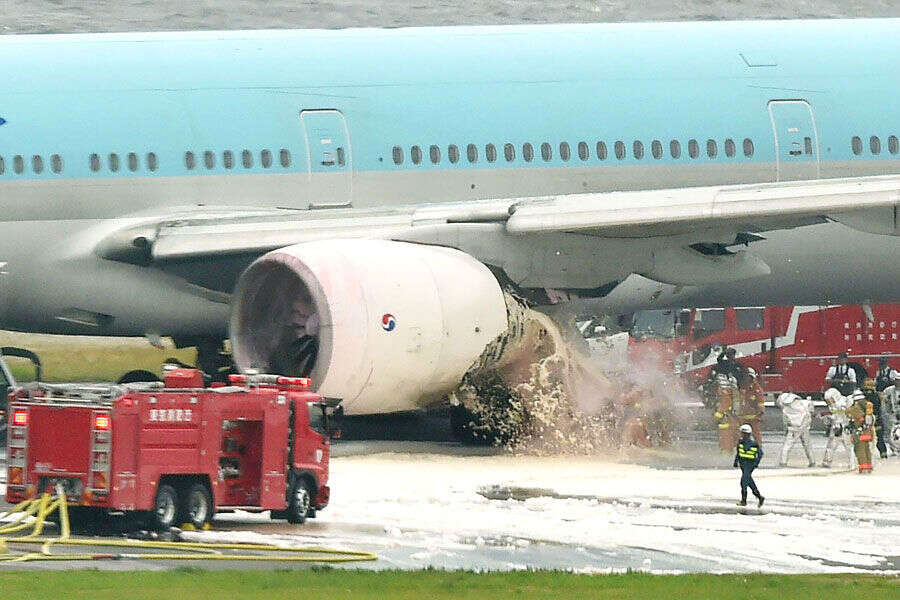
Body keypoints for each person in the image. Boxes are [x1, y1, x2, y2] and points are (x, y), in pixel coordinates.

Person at [711, 348, 744, 451]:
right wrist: (723, 353)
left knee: (733, 420)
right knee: (731, 422)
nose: (731, 356)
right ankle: (731, 445)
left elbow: (741, 378)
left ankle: (732, 444)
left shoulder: (737, 366)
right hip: (730, 393)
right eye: (729, 354)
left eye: (732, 354)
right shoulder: (724, 364)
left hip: (734, 392)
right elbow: (718, 359)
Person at [776, 392, 815, 467]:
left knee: (787, 446)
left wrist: (786, 430)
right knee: (807, 445)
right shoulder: (804, 403)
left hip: (794, 428)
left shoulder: (787, 409)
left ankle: (783, 462)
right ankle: (812, 461)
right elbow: (810, 410)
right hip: (804, 427)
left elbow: (785, 421)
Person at [821, 387, 855, 469]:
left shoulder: (842, 403)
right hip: (836, 427)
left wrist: (831, 417)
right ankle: (827, 462)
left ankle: (852, 463)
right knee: (831, 445)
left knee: (848, 446)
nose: (829, 401)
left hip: (843, 427)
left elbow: (843, 415)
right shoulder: (834, 404)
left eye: (830, 399)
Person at [733, 423, 765, 507]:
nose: (743, 435)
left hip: (750, 465)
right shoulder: (740, 442)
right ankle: (759, 497)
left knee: (744, 482)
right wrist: (736, 462)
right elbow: (738, 452)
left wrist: (756, 463)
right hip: (743, 465)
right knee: (749, 481)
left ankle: (744, 501)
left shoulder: (753, 444)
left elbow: (760, 454)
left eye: (744, 434)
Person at [846, 387, 875, 473]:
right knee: (867, 449)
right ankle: (869, 466)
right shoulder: (867, 406)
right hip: (868, 432)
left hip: (859, 432)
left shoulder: (856, 407)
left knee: (859, 450)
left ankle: (863, 467)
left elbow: (848, 413)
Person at [860, 378, 888, 459]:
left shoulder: (875, 397)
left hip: (876, 420)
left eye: (868, 390)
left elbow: (876, 409)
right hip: (867, 421)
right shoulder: (866, 396)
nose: (867, 392)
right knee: (866, 438)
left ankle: (883, 454)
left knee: (879, 438)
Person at [738, 367, 766, 444]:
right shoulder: (743, 388)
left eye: (748, 377)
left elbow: (760, 402)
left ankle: (758, 448)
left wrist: (760, 414)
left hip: (754, 417)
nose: (746, 379)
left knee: (756, 434)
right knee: (742, 434)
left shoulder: (757, 389)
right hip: (743, 416)